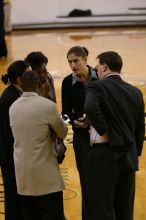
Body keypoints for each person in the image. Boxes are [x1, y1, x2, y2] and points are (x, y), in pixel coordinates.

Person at [84, 51, 145, 220]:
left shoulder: (96, 86)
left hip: (105, 154)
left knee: (101, 208)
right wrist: (135, 151)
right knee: (124, 209)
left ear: (104, 66)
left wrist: (104, 131)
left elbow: (90, 108)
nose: (96, 70)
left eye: (97, 66)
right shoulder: (135, 92)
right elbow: (140, 128)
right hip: (129, 155)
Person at [9, 70, 68, 220]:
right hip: (45, 176)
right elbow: (63, 132)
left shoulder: (13, 107)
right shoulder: (47, 106)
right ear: (39, 84)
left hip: (23, 176)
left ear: (21, 83)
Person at [61, 46, 98, 220]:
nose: (72, 65)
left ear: (85, 59)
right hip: (81, 138)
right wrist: (74, 121)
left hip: (103, 137)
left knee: (103, 182)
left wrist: (93, 120)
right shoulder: (67, 82)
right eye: (69, 61)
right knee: (87, 182)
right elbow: (65, 113)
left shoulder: (100, 78)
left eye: (76, 60)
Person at [0, 60, 31, 220]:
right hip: (11, 159)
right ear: (19, 80)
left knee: (17, 201)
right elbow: (10, 133)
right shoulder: (11, 98)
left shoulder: (14, 93)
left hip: (12, 157)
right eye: (29, 72)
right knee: (14, 201)